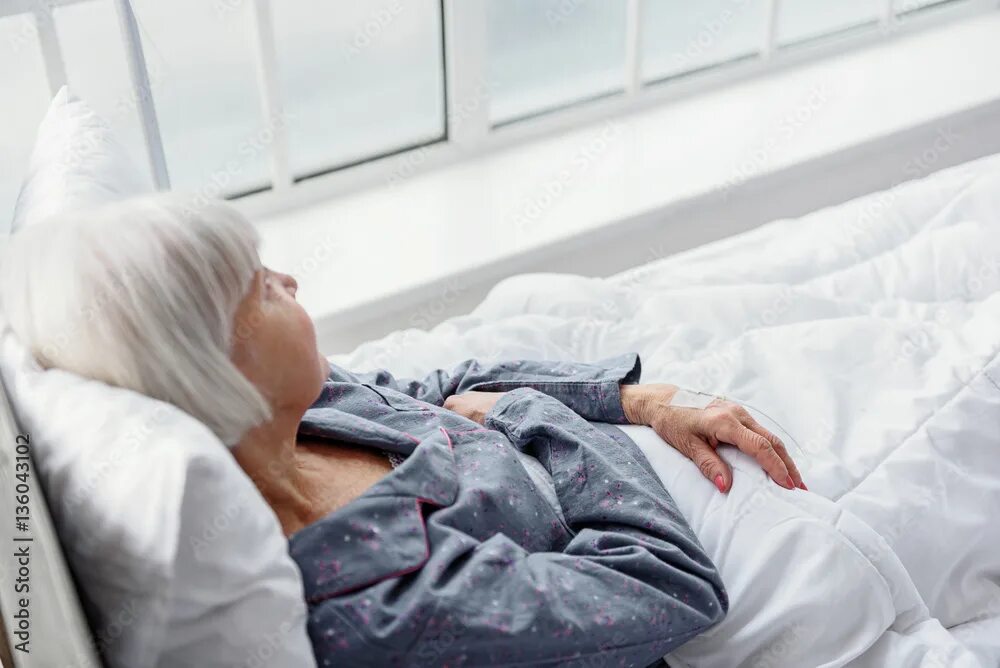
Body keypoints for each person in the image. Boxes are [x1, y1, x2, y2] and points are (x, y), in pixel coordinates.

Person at [0, 194, 805, 666]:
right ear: (217, 365)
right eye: (264, 289)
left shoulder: (302, 416)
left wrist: (638, 401)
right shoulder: (385, 603)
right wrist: (540, 417)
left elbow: (444, 389)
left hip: (650, 460)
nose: (291, 281)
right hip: (716, 548)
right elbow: (672, 586)